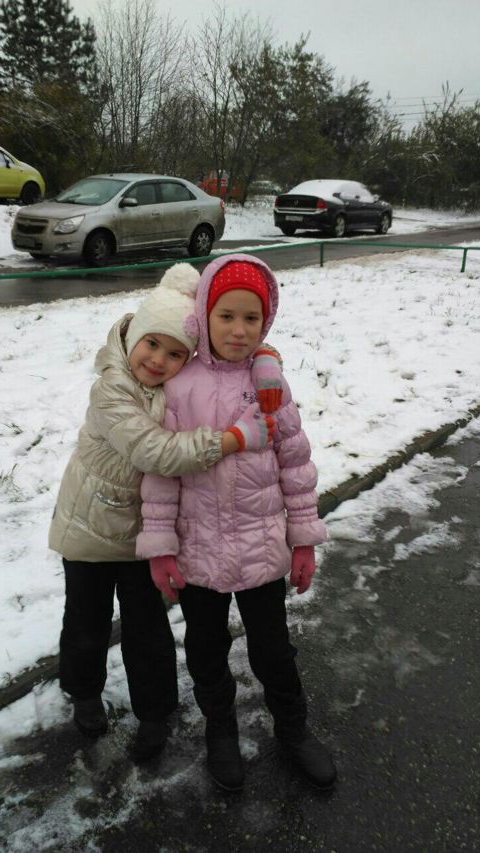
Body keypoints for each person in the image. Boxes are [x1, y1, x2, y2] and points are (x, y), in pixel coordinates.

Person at [48, 262, 279, 761]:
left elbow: (229, 361)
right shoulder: (112, 387)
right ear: (134, 335)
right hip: (90, 528)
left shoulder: (176, 387)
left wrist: (266, 358)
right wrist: (232, 439)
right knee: (86, 621)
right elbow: (154, 452)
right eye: (152, 344)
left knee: (148, 628)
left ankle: (154, 713)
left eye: (175, 353)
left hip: (144, 529)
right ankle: (84, 692)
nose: (158, 360)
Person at [136, 254, 337, 790]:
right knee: (206, 652)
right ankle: (220, 731)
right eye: (226, 316)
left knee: (274, 651)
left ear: (266, 322)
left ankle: (293, 729)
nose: (239, 330)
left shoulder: (270, 385)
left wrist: (303, 541)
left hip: (261, 549)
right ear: (205, 315)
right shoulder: (180, 388)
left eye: (252, 318)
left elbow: (296, 468)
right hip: (198, 552)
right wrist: (160, 547)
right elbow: (162, 474)